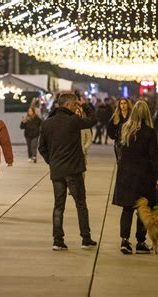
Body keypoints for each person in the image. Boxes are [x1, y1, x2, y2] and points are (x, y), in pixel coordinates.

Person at [38, 92, 97, 251]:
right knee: (80, 204)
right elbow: (93, 120)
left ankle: (58, 240)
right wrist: (84, 105)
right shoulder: (73, 121)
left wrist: (52, 162)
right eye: (74, 104)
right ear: (69, 105)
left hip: (57, 170)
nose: (75, 107)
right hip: (74, 170)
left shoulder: (47, 123)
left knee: (58, 206)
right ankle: (85, 238)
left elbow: (41, 148)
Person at [112, 101, 158, 254]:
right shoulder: (149, 132)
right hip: (144, 176)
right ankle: (140, 241)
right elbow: (154, 157)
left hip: (126, 175)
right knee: (143, 208)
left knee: (127, 208)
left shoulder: (125, 129)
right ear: (147, 114)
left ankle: (125, 240)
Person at [76, 107, 93, 177]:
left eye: (79, 112)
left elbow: (89, 139)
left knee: (82, 174)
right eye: (76, 111)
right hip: (71, 153)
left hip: (82, 153)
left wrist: (85, 148)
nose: (77, 113)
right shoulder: (68, 124)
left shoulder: (85, 124)